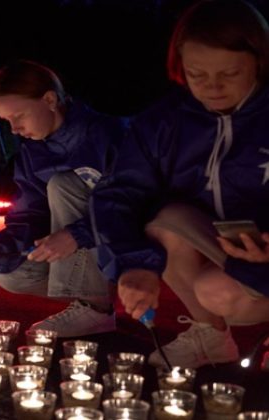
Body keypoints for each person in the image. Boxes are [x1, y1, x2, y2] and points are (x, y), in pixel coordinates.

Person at [91, 0, 269, 368]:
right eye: (196, 74)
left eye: (230, 73)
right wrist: (135, 264)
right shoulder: (164, 122)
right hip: (225, 251)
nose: (212, 87)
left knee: (217, 289)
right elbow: (119, 194)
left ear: (260, 62)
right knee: (165, 221)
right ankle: (211, 336)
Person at [0, 61, 125, 337]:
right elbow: (29, 214)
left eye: (18, 116)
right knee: (12, 275)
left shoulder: (108, 134)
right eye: (6, 121)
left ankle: (95, 307)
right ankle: (95, 294)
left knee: (62, 183)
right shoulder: (33, 153)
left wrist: (76, 234)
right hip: (86, 252)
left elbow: (136, 201)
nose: (14, 129)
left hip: (128, 239)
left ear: (49, 99)